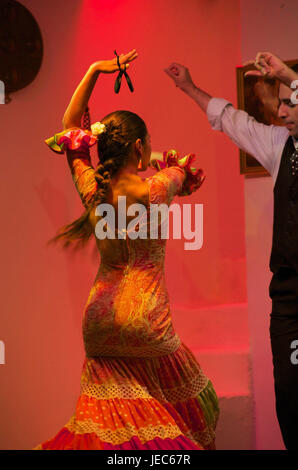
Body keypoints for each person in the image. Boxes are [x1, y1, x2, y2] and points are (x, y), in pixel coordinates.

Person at [34, 50, 219, 450]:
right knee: (191, 410)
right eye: (145, 145)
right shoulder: (157, 187)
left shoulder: (93, 189)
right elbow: (182, 172)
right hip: (147, 322)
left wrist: (94, 71)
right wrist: (161, 162)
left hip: (99, 323)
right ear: (138, 146)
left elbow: (70, 127)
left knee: (109, 434)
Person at [165, 52, 298, 450]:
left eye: (291, 101)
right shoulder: (280, 145)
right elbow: (232, 121)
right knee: (291, 398)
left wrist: (290, 74)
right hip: (290, 298)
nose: (283, 111)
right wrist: (189, 88)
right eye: (283, 102)